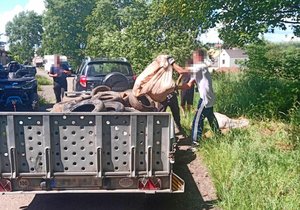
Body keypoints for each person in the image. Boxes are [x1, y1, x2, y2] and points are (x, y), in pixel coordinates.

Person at [171, 49, 220, 148]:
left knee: (197, 120)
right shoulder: (197, 69)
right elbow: (188, 85)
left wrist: (171, 62)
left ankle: (195, 142)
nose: (193, 58)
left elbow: (182, 71)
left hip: (205, 98)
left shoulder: (200, 66)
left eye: (194, 56)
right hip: (209, 97)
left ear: (200, 57)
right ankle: (218, 135)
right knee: (210, 117)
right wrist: (175, 87)